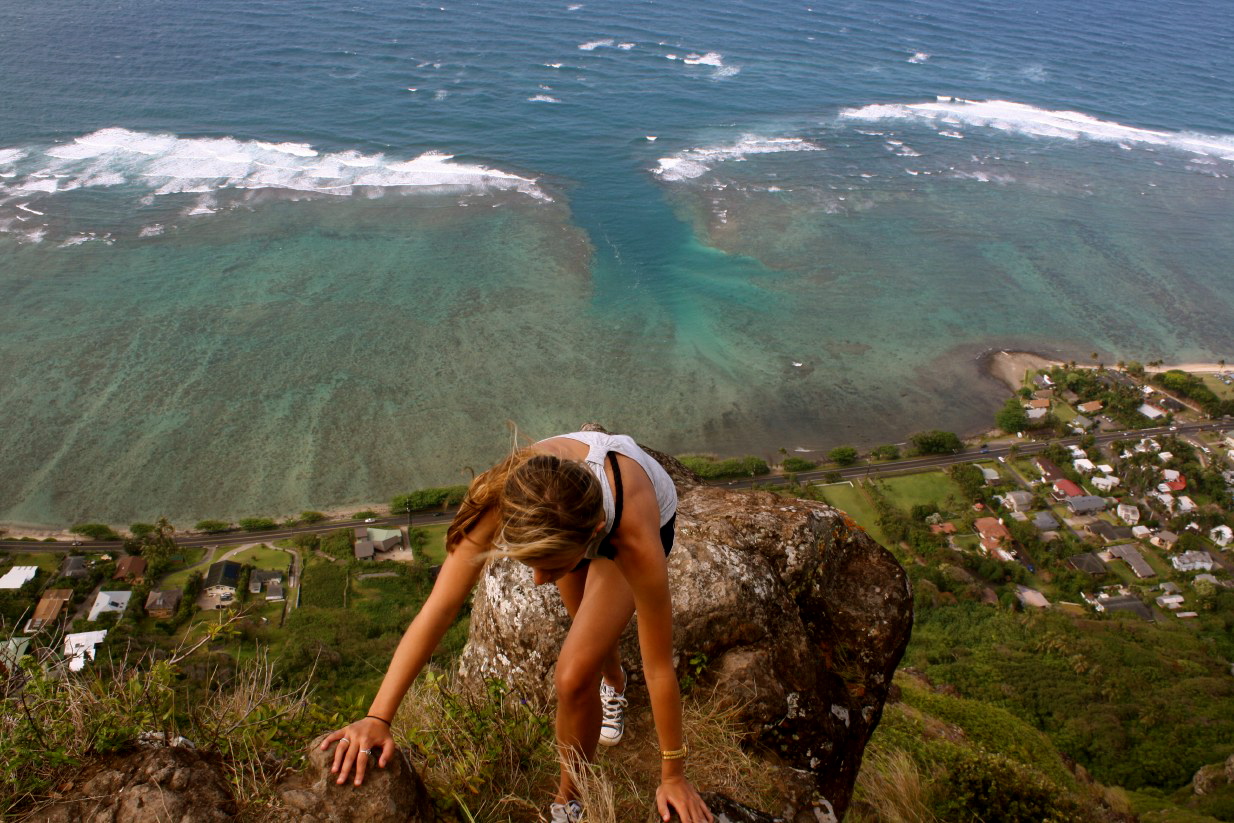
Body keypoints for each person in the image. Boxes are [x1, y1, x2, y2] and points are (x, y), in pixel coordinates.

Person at [321, 430, 713, 823]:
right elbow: (437, 610)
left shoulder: (634, 539)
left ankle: (569, 800)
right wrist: (378, 717)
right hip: (567, 512)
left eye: (551, 566)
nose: (540, 580)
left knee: (574, 676)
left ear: (591, 538)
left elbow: (659, 664)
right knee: (588, 630)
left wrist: (673, 775)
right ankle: (614, 680)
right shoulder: (510, 496)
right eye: (533, 564)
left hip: (637, 510)